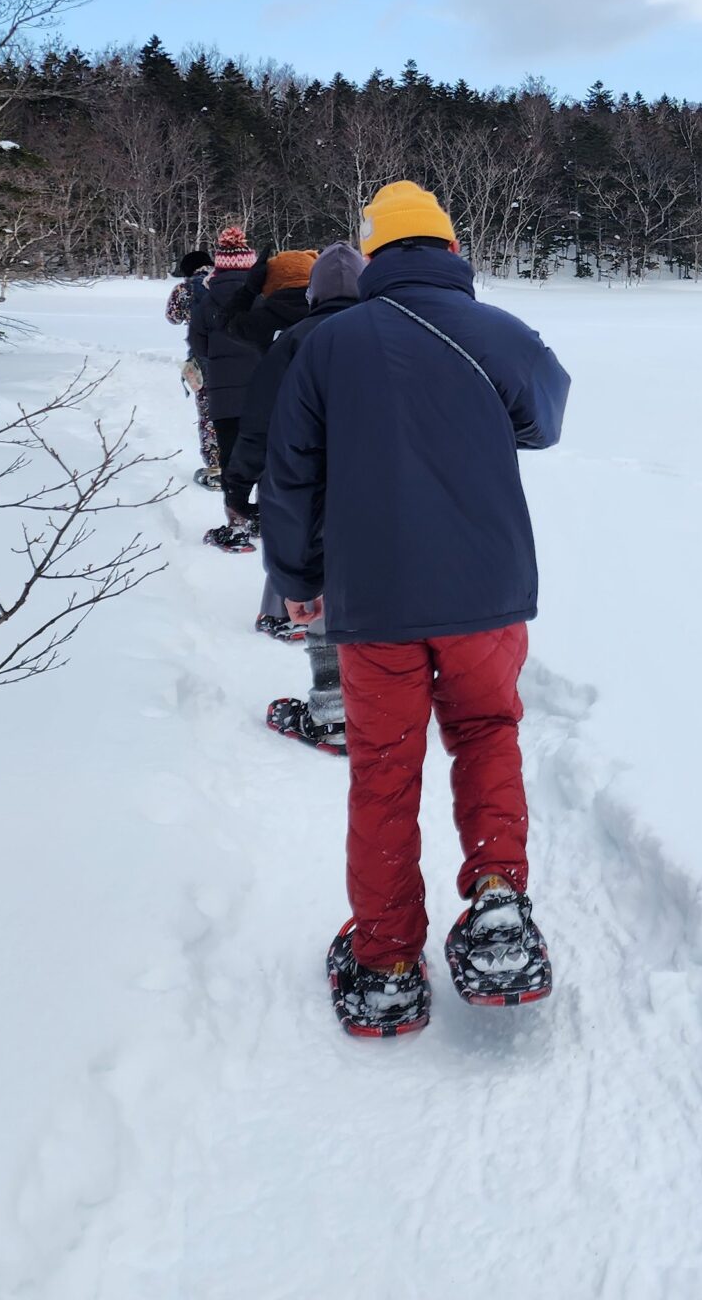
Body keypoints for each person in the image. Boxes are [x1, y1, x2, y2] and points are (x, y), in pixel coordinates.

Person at [261, 180, 570, 1036]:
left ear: (374, 257)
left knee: (385, 768)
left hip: (375, 601)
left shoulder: (327, 344)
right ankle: (501, 897)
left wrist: (296, 578)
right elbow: (545, 420)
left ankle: (388, 958)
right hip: (485, 592)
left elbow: (291, 478)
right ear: (450, 250)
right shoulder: (501, 332)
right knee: (486, 735)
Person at [226, 243, 364, 699]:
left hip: (307, 482)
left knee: (311, 577)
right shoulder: (388, 332)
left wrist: (238, 485)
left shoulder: (295, 342)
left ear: (313, 293)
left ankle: (331, 707)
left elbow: (260, 423)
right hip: (378, 486)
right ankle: (380, 703)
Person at [184, 225, 262, 550]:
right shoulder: (263, 298)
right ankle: (269, 516)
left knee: (231, 462)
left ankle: (237, 524)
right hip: (263, 395)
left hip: (224, 397)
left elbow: (197, 345)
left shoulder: (206, 302)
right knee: (268, 458)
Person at [164, 250, 222, 490]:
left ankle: (216, 470)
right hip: (239, 358)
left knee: (209, 416)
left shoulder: (185, 289)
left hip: (202, 360)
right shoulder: (229, 281)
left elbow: (172, 317)